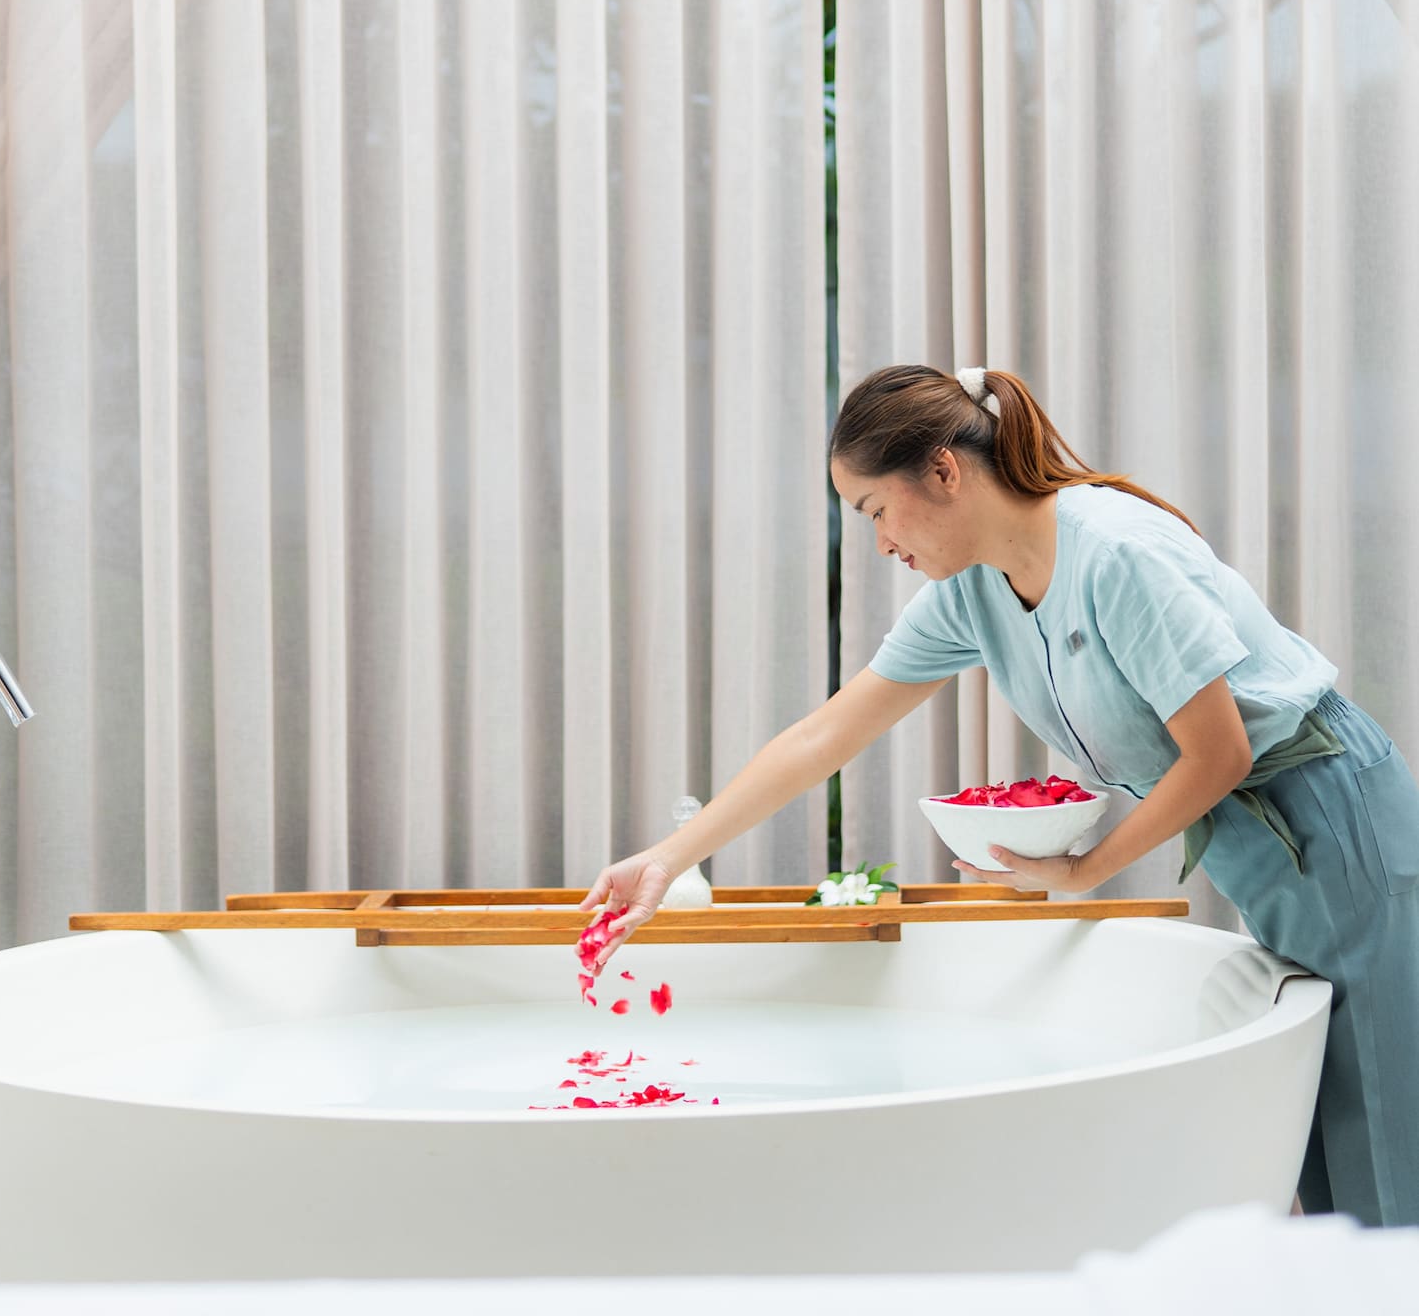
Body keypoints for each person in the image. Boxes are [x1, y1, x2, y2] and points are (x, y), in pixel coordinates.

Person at [580, 363, 1419, 1228]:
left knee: (1386, 1157)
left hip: (1333, 813)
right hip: (1267, 845)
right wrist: (668, 857)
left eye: (875, 511)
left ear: (943, 471)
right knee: (1317, 1147)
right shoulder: (973, 592)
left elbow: (1218, 754)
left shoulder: (1117, 553)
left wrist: (1085, 868)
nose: (880, 545)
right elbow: (823, 736)